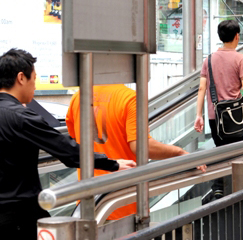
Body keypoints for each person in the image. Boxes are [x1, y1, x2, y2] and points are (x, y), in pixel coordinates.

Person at [0, 49, 135, 238]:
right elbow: (67, 150)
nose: (35, 86)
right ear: (21, 78)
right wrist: (112, 163)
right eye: (34, 79)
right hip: (17, 216)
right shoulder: (21, 118)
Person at [66, 84, 205, 220]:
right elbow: (140, 146)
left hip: (87, 200)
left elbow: (74, 141)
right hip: (122, 203)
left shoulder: (79, 96)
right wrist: (179, 153)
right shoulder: (129, 98)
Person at [194, 20, 243, 200]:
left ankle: (218, 187)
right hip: (235, 117)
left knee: (220, 148)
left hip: (215, 116)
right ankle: (232, 189)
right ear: (237, 36)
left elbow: (202, 88)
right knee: (235, 151)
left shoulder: (209, 60)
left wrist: (198, 115)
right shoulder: (241, 59)